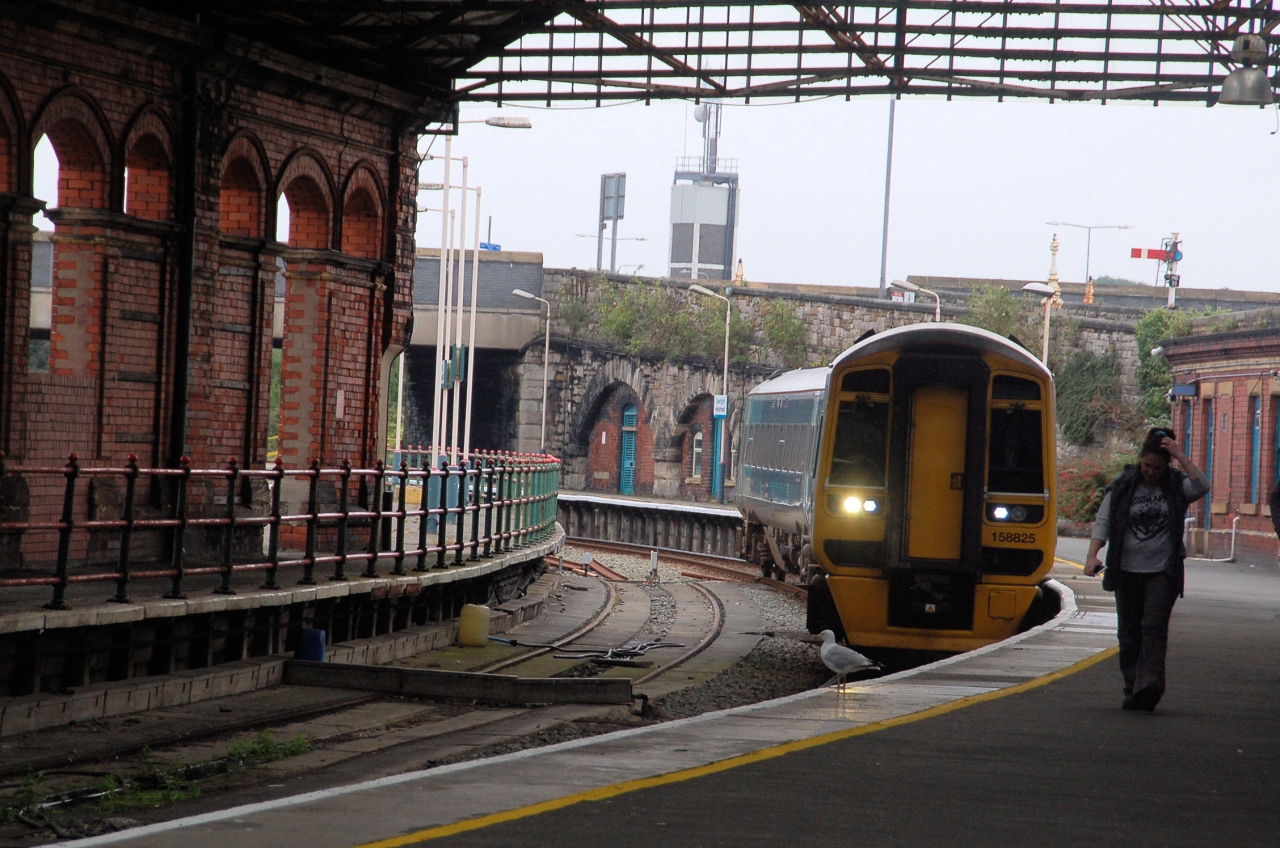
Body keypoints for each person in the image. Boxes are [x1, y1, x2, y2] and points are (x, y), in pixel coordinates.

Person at [1084, 428, 1209, 712]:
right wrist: (1092, 556)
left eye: (1157, 467)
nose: (1151, 472)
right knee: (1129, 633)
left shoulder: (1176, 486)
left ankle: (1149, 685)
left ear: (1167, 466)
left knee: (1153, 627)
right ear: (1140, 461)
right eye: (1147, 466)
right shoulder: (1124, 486)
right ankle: (1132, 687)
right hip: (1126, 569)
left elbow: (1202, 486)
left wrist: (1179, 456)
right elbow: (1103, 522)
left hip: (1162, 571)